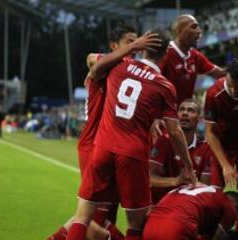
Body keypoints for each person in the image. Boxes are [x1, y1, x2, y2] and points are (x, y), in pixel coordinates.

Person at [66, 29, 197, 240]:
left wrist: (96, 71)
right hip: (132, 153)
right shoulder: (165, 86)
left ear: (143, 47)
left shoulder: (119, 65)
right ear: (166, 54)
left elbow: (93, 62)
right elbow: (174, 130)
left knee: (82, 217)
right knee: (136, 223)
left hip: (102, 147)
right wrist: (189, 168)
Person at [48, 25, 157, 240]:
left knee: (106, 213)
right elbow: (91, 58)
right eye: (130, 41)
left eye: (137, 42)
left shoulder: (126, 72)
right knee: (91, 217)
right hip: (96, 143)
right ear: (114, 46)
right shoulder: (104, 66)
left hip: (115, 145)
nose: (136, 46)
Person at [204, 60, 238, 240]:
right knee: (213, 198)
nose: (234, 91)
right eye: (230, 86)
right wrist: (225, 165)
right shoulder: (214, 93)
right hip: (222, 148)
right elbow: (210, 133)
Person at [150, 98, 215, 204]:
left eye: (190, 110)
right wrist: (175, 181)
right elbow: (149, 178)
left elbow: (204, 185)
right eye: (181, 110)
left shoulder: (205, 147)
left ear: (199, 118)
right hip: (160, 204)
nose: (185, 113)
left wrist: (192, 183)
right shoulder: (163, 141)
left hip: (186, 206)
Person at [160, 14, 227, 105]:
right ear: (179, 31)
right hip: (164, 113)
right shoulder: (164, 53)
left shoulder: (195, 56)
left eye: (199, 27)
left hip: (183, 113)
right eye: (194, 27)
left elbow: (221, 74)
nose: (199, 31)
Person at [143, 185, 238, 240]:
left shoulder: (204, 192)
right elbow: (218, 236)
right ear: (236, 207)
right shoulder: (229, 205)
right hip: (178, 227)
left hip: (149, 226)